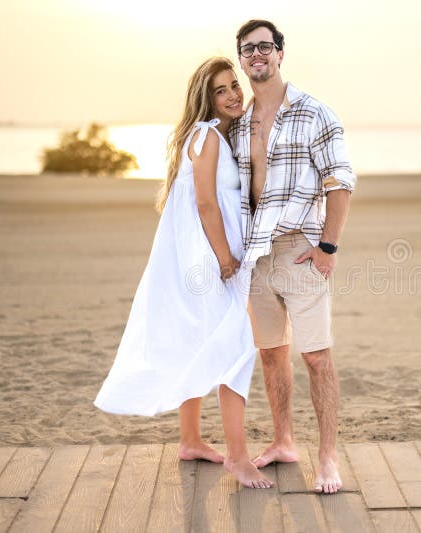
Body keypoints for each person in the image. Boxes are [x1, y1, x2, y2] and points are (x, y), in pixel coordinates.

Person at [94, 57, 273, 489]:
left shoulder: (209, 136)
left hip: (201, 258)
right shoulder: (209, 137)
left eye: (234, 86)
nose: (233, 94)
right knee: (236, 348)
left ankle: (190, 440)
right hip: (210, 261)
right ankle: (238, 456)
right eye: (221, 90)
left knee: (197, 340)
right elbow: (206, 204)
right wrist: (225, 257)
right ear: (205, 98)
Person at [231, 20, 356, 494]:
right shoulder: (240, 123)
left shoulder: (314, 113)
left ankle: (327, 457)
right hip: (256, 256)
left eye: (265, 46)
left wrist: (327, 247)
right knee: (270, 354)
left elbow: (340, 180)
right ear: (240, 58)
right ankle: (284, 441)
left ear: (281, 54)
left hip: (301, 250)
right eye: (248, 49)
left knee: (318, 357)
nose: (256, 55)